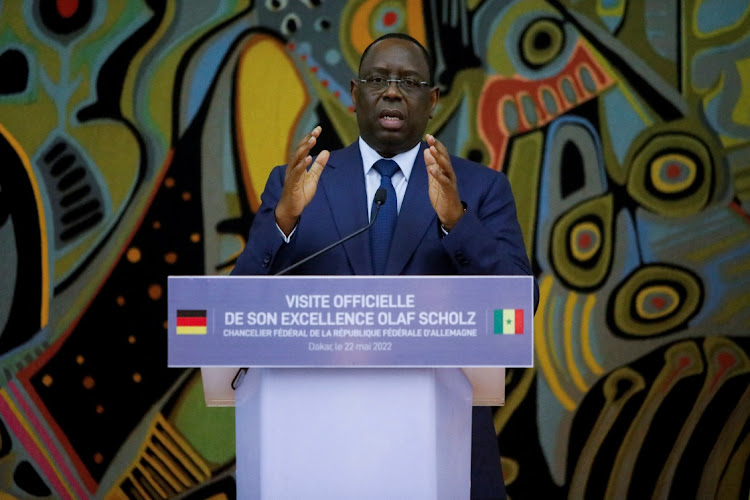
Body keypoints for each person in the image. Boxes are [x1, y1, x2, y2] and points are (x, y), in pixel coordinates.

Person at [232, 33, 538, 500]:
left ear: (432, 100)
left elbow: (519, 306)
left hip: (445, 452)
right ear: (355, 94)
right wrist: (283, 222)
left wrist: (458, 222)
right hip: (317, 451)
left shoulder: (478, 189)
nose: (392, 91)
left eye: (410, 81)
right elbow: (239, 304)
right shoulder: (298, 186)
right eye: (377, 79)